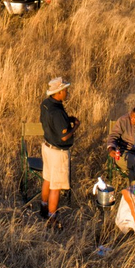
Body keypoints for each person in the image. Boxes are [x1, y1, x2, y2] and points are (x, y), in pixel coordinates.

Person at [39, 76, 78, 230]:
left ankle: (43, 206)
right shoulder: (57, 111)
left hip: (47, 147)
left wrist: (67, 119)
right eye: (65, 90)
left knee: (47, 178)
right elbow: (64, 135)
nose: (67, 93)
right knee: (56, 186)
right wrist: (75, 127)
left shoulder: (46, 104)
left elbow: (51, 122)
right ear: (59, 92)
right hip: (58, 152)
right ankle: (52, 218)